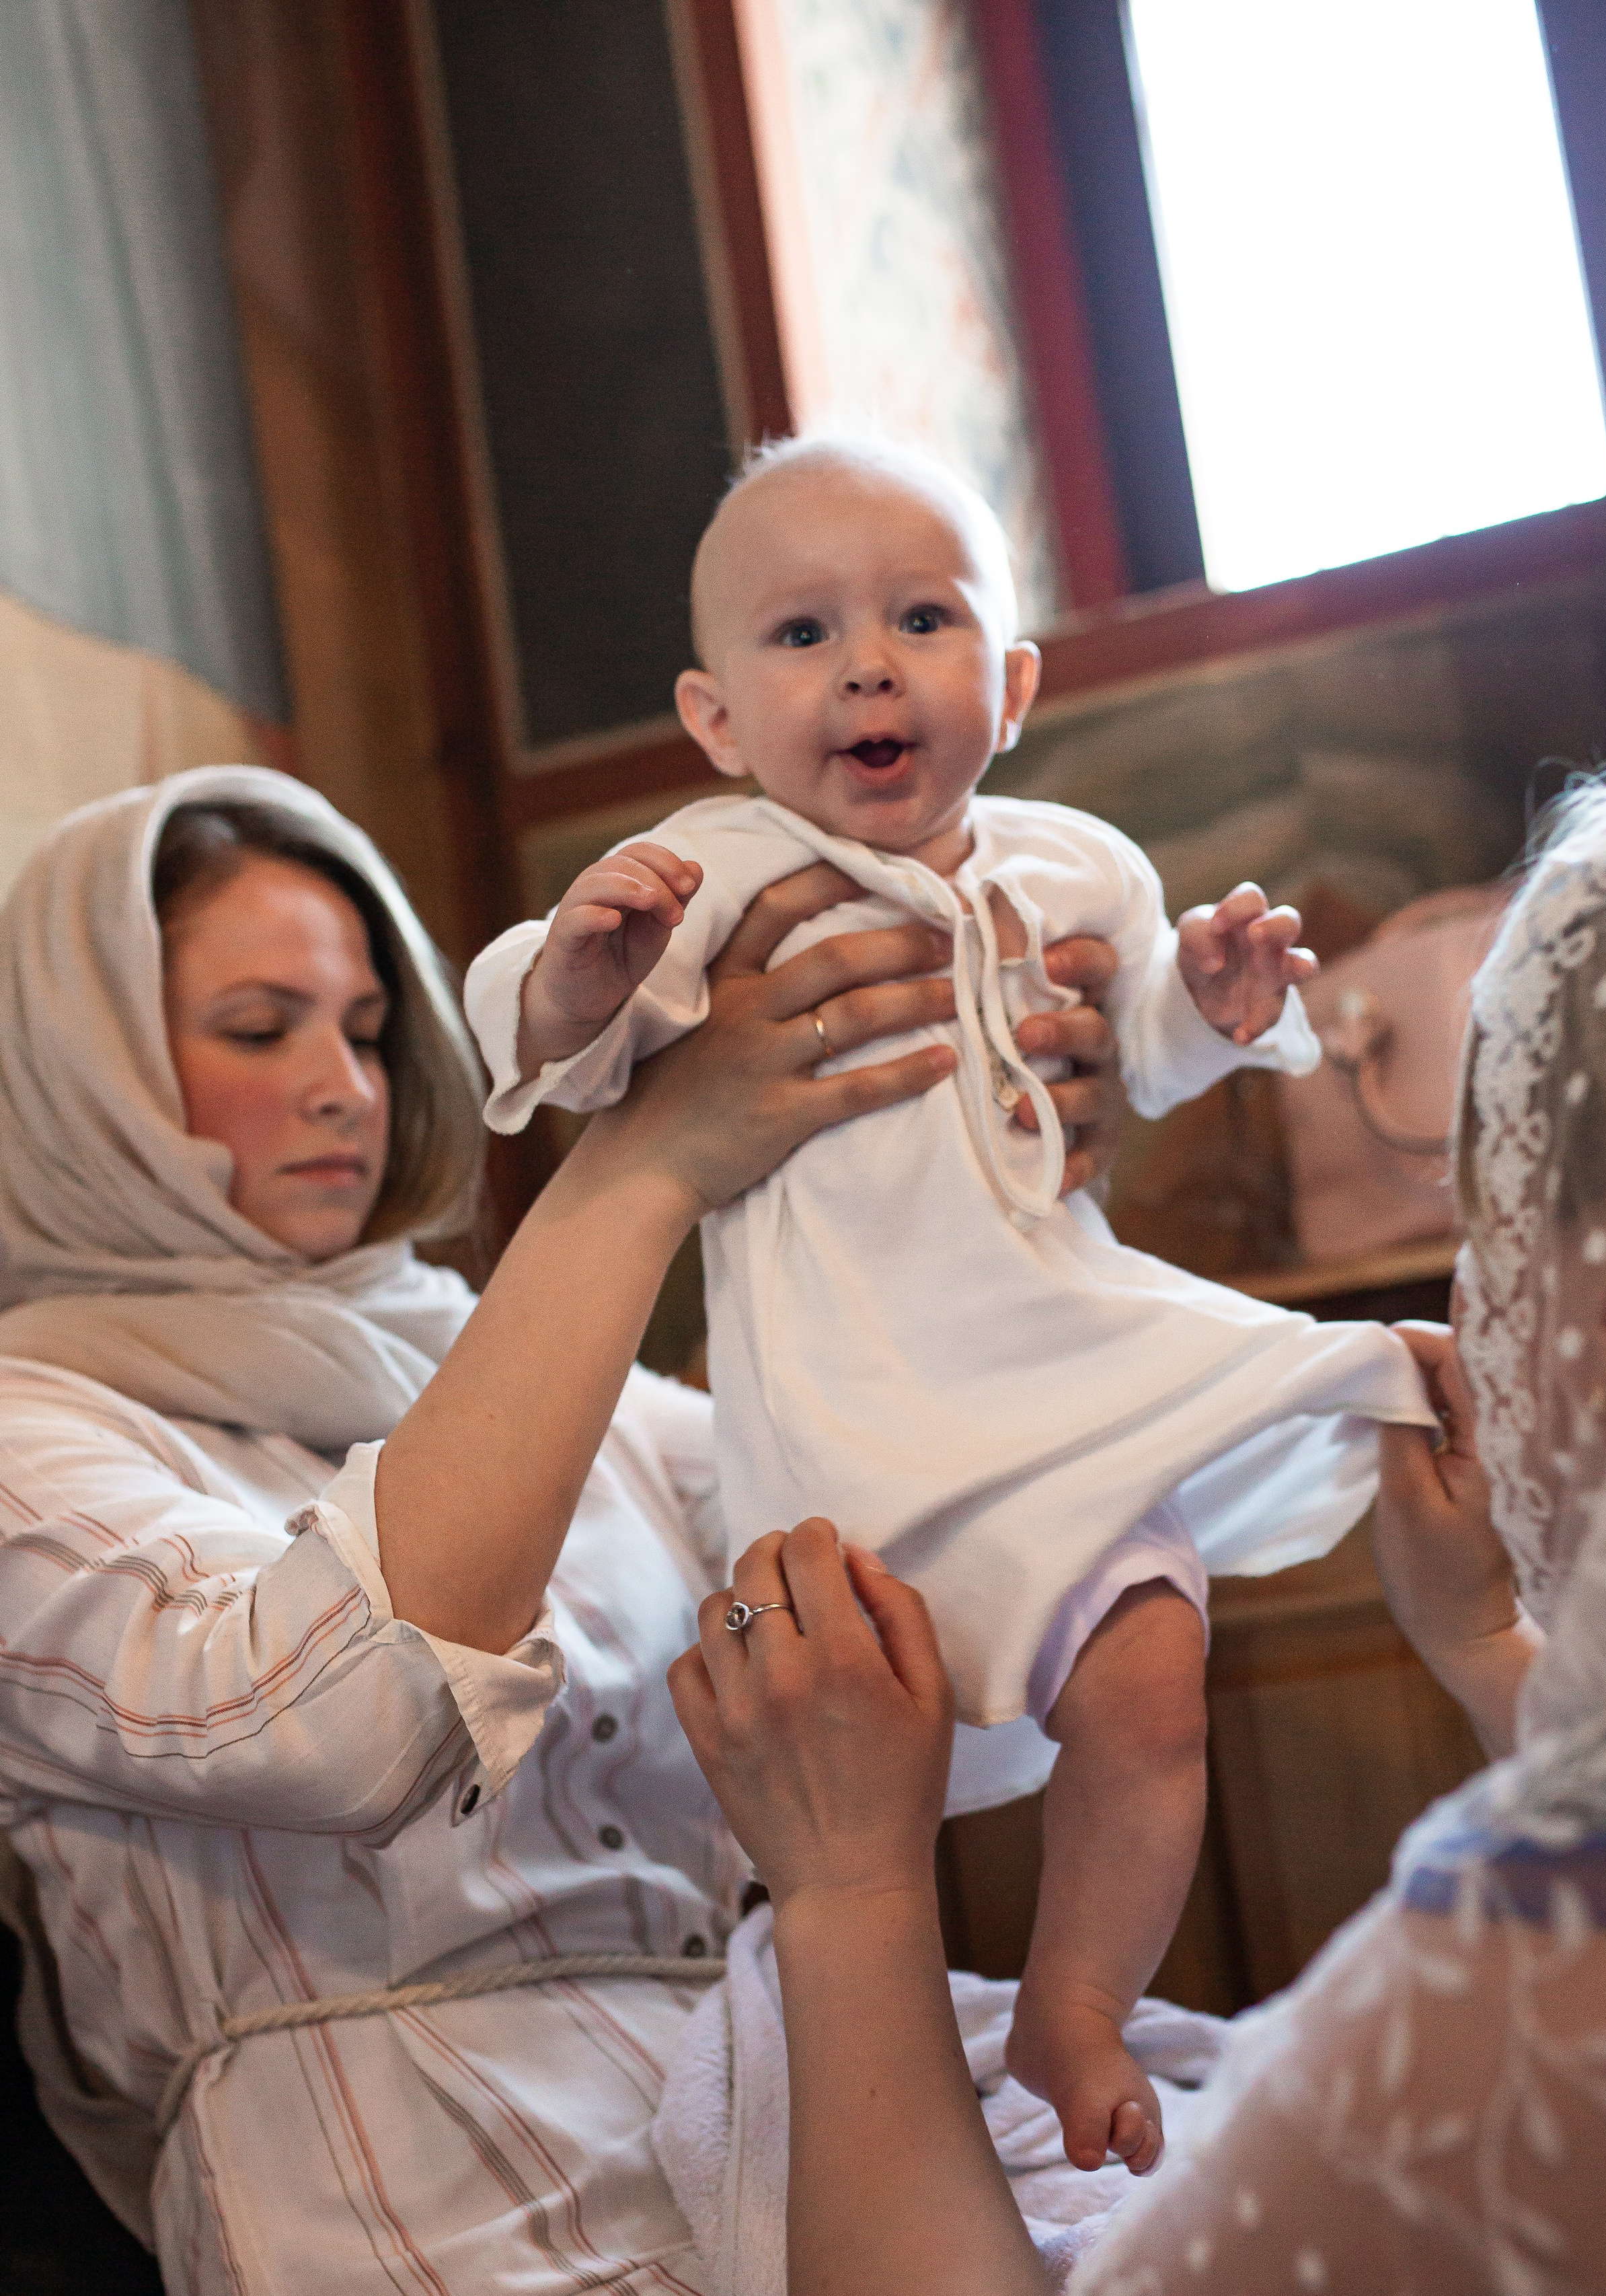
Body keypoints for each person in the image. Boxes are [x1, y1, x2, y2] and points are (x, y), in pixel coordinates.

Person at [0, 761, 1124, 2291]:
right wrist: (642, 1165)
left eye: (370, 1030)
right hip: (411, 2196)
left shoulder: (496, 1361)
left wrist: (998, 1192)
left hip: (771, 2106)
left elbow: (906, 1614)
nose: (346, 1084)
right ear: (82, 1077)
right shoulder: (36, 1426)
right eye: (261, 1030)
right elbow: (320, 1719)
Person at [465, 432, 1432, 2174]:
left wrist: (1207, 1001)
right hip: (845, 1409)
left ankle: (1076, 2002)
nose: (868, 664)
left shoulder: (1073, 865)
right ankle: (865, 2054)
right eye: (803, 634)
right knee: (857, 1770)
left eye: (922, 616)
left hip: (1057, 1365)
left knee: (1152, 1676)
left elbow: (1136, 1040)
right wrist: (574, 976)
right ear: (713, 719)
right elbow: (560, 1029)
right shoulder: (723, 862)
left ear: (1018, 677)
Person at [670, 751, 1606, 2293]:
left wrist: (847, 1895)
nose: (1462, 1292)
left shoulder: (1510, 1982)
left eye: (1479, 1208)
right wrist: (1481, 1639)